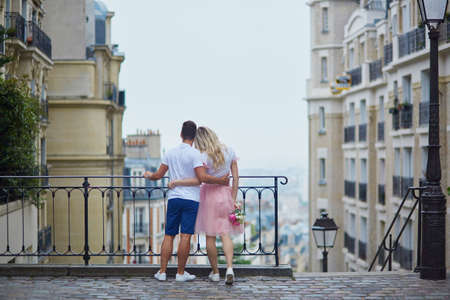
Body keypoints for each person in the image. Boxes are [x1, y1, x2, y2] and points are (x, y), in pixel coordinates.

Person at [144, 121, 229, 282]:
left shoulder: (170, 152)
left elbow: (158, 175)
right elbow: (202, 178)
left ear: (181, 134)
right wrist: (221, 180)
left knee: (169, 235)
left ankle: (162, 272)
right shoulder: (195, 154)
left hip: (174, 198)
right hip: (191, 199)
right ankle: (180, 274)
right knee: (186, 236)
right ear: (195, 136)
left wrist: (148, 175)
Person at [168, 126, 242, 285]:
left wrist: (177, 182)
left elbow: (200, 178)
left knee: (210, 236)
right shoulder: (229, 151)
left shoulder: (202, 155)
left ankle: (215, 272)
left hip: (208, 196)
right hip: (225, 195)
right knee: (225, 234)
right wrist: (233, 198)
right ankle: (229, 268)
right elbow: (236, 178)